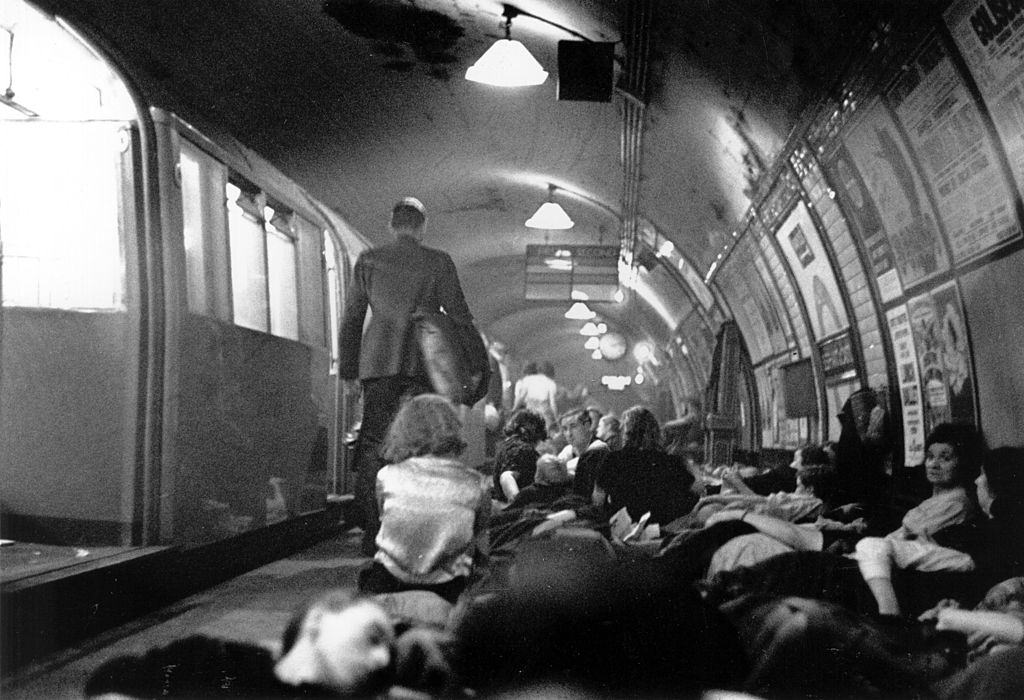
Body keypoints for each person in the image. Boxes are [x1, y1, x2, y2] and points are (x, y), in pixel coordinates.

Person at [337, 197, 475, 554]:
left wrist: (349, 370)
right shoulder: (438, 261)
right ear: (422, 227)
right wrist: (474, 362)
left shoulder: (368, 260)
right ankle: (414, 525)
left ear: (391, 225)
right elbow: (459, 314)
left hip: (377, 362)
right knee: (421, 439)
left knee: (373, 442)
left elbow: (353, 317)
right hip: (424, 362)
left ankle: (373, 531)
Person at [357, 394, 489, 606]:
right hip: (449, 587)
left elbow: (384, 518)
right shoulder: (476, 482)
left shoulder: (386, 475)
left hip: (389, 581)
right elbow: (480, 535)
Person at [854, 423, 984, 615]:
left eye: (945, 458)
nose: (933, 464)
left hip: (924, 569)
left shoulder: (957, 502)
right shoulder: (937, 497)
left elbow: (912, 532)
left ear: (963, 463)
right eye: (930, 457)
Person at [592, 405, 699, 525]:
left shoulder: (612, 460)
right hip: (664, 530)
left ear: (625, 433)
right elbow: (696, 492)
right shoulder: (671, 462)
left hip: (624, 530)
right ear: (655, 431)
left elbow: (598, 501)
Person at [493, 408, 548, 502]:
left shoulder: (504, 446)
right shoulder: (524, 449)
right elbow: (506, 477)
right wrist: (517, 504)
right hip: (523, 507)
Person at [512, 361, 558, 433]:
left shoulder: (527, 380)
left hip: (530, 413)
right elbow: (553, 405)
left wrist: (514, 409)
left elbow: (521, 398)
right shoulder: (551, 383)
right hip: (544, 413)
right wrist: (556, 419)